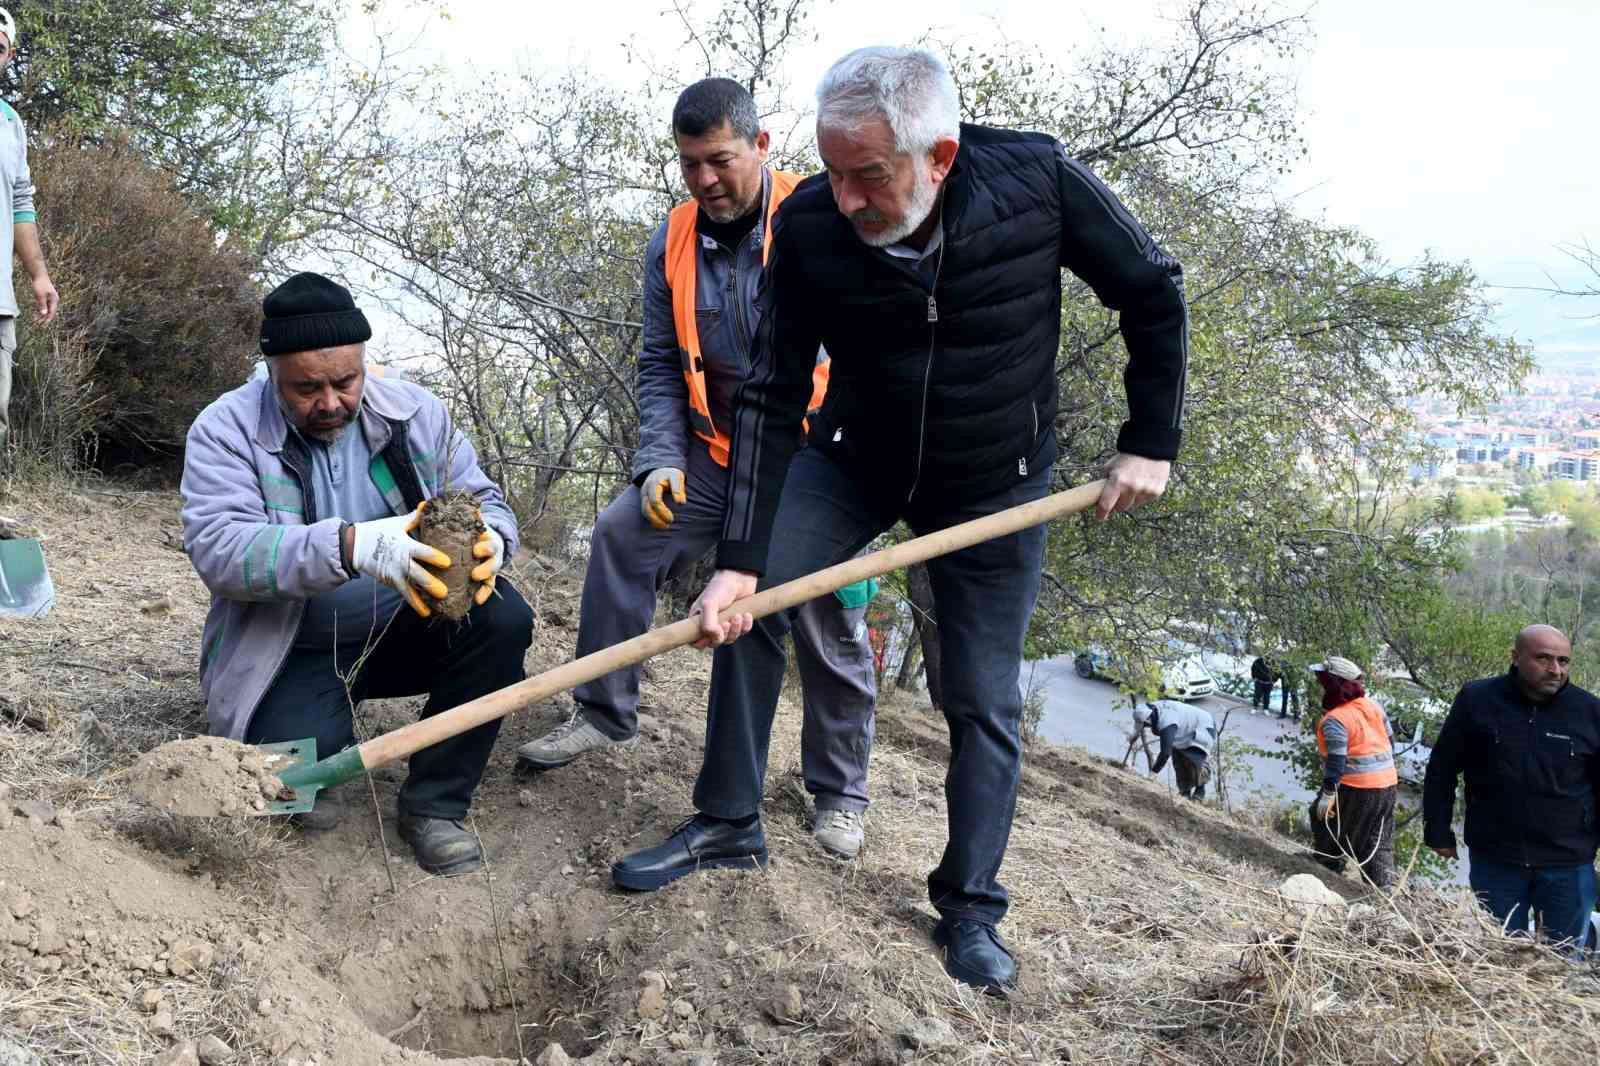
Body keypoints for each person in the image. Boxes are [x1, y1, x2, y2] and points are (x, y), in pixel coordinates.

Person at [612, 46, 1188, 995]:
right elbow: (767, 393)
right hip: (853, 457)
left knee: (981, 698)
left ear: (941, 156)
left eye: (867, 176)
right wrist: (743, 558)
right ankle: (727, 822)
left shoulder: (1037, 182)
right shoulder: (806, 224)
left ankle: (970, 906)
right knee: (747, 604)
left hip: (995, 479)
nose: (842, 198)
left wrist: (1150, 441)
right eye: (831, 171)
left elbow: (1152, 290)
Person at [514, 78, 880, 860]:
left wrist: (861, 477)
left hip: (815, 468)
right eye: (689, 165)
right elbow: (657, 362)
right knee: (621, 532)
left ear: (761, 145)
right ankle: (605, 711)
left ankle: (839, 791)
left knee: (827, 611)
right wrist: (657, 461)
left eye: (719, 160)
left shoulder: (825, 222)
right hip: (714, 460)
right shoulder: (671, 241)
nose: (705, 180)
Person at [180, 272, 532, 876]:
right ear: (271, 373)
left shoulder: (416, 412)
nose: (330, 402)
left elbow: (483, 499)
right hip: (288, 648)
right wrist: (350, 548)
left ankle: (436, 806)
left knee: (502, 618)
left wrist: (495, 538)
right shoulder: (225, 429)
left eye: (345, 381)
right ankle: (324, 728)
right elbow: (218, 551)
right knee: (292, 792)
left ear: (364, 362)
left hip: (402, 629)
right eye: (306, 388)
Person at [1423, 625, 1600, 951]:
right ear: (1515, 657)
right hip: (1496, 858)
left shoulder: (1590, 712)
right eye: (1544, 658)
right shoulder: (1477, 699)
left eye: (1564, 660)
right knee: (1498, 953)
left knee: (1562, 962)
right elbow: (1443, 768)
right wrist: (1437, 829)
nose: (1556, 670)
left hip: (1568, 864)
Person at [0, 6, 60, 460]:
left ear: (8, 54)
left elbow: (22, 201)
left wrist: (38, 274)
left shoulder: (11, 124)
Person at [1308, 656, 1397, 889]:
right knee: (1378, 838)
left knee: (1327, 821)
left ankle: (1327, 867)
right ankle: (1384, 887)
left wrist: (1328, 794)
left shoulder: (1335, 719)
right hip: (1387, 784)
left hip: (1357, 787)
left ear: (1334, 684)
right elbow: (1390, 741)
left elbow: (1337, 761)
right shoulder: (1373, 706)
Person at [1133, 699, 1216, 800]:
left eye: (1146, 725)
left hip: (1203, 726)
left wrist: (1153, 773)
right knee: (1178, 759)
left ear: (1149, 719)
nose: (1146, 727)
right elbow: (1141, 724)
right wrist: (1134, 735)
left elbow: (1165, 753)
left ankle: (1200, 791)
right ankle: (1185, 792)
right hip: (1184, 727)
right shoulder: (1151, 708)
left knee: (1193, 761)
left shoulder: (1167, 722)